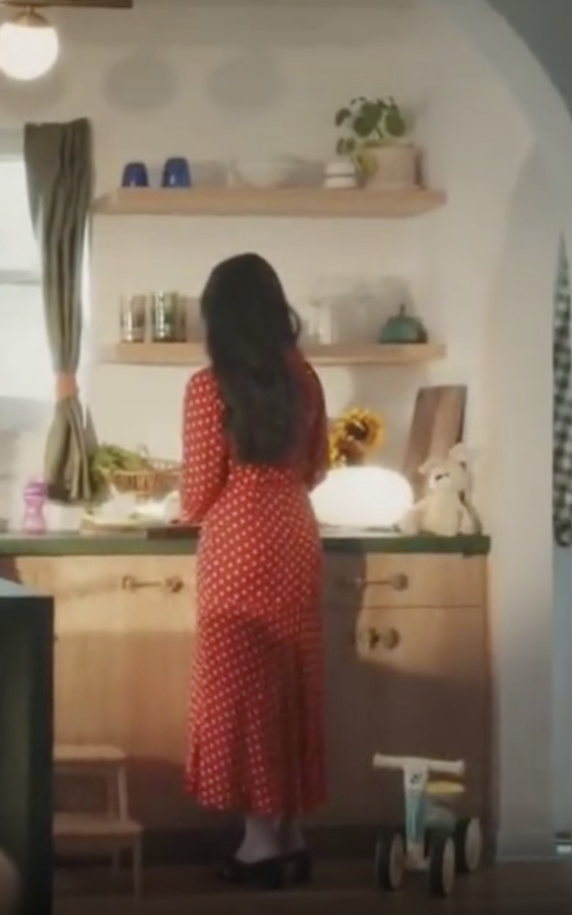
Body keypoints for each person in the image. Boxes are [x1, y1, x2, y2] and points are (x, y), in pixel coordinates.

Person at [177, 252, 328, 889]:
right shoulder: (307, 380)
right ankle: (288, 836)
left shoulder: (208, 388)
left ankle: (260, 845)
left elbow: (196, 493)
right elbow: (318, 469)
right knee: (290, 682)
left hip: (239, 544)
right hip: (294, 536)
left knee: (243, 691)